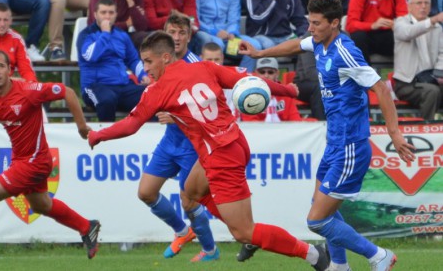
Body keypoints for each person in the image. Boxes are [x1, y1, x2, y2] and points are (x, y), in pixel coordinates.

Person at [89, 31, 331, 271]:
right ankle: (250, 238)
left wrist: (98, 135)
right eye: (143, 62)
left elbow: (131, 125)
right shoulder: (204, 67)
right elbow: (247, 80)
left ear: (165, 57)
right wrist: (288, 90)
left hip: (221, 156)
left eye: (149, 61)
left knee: (244, 231)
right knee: (191, 192)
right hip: (234, 143)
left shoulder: (157, 90)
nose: (145, 68)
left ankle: (312, 254)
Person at [239, 0, 415, 271]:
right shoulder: (320, 42)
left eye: (317, 23)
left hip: (350, 147)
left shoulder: (345, 51)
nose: (310, 28)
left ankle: (378, 255)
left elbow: (380, 88)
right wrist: (260, 53)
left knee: (317, 220)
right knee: (321, 207)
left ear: (334, 23)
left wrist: (394, 133)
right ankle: (339, 266)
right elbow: (297, 44)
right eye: (309, 21)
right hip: (334, 143)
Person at [0, 49, 101, 263]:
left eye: (1, 66)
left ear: (10, 69)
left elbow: (68, 92)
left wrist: (82, 127)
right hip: (23, 159)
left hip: (35, 162)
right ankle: (86, 226)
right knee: (41, 205)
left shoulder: (28, 90)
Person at [135, 13, 219, 263]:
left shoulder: (196, 65)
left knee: (189, 200)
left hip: (192, 144)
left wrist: (178, 114)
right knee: (146, 192)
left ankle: (210, 251)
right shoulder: (156, 61)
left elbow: (209, 105)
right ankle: (183, 231)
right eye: (173, 32)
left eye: (182, 33)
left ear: (189, 36)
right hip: (170, 142)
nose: (177, 37)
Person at [77, 0, 150, 122]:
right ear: (95, 14)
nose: (107, 16)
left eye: (111, 13)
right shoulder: (86, 35)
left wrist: (142, 75)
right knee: (107, 100)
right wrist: (105, 34)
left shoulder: (122, 35)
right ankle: (107, 138)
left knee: (151, 96)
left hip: (123, 86)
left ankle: (144, 137)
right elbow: (90, 56)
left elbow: (133, 59)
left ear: (116, 15)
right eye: (103, 12)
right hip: (95, 87)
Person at [192, 0, 262, 71]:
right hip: (205, 35)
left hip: (227, 39)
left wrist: (231, 32)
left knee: (255, 46)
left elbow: (234, 20)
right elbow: (195, 20)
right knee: (216, 44)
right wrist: (214, 31)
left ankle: (243, 80)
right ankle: (212, 79)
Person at [393, 0, 443, 120]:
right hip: (407, 84)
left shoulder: (437, 27)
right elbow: (408, 32)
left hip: (431, 79)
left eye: (426, 3)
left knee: (433, 89)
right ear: (409, 6)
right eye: (419, 3)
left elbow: (442, 54)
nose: (423, 6)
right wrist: (432, 21)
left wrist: (439, 74)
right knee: (432, 92)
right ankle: (427, 128)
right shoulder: (400, 23)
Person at [240, 57, 303, 122]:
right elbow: (250, 123)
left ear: (277, 74)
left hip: (283, 131)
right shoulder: (249, 95)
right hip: (258, 131)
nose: (266, 75)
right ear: (256, 73)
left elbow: (295, 120)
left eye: (270, 72)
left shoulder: (286, 94)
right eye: (262, 72)